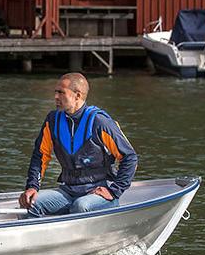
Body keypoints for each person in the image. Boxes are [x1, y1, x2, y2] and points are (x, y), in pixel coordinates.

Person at [19, 73, 138, 217]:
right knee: (29, 204)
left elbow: (129, 157)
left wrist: (114, 190)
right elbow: (40, 156)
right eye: (55, 92)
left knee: (81, 206)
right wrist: (32, 186)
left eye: (61, 93)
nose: (56, 97)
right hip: (68, 191)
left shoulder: (100, 122)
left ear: (77, 95)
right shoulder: (52, 120)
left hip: (97, 192)